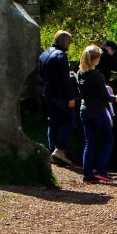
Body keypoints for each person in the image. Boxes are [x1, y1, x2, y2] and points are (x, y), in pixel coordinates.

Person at [76, 44, 117, 184]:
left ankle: (87, 175)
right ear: (95, 59)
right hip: (97, 111)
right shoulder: (97, 75)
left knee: (90, 143)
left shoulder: (80, 73)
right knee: (108, 139)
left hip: (85, 110)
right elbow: (104, 97)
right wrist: (116, 98)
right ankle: (101, 171)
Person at [37, 31, 76, 166]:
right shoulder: (61, 56)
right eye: (69, 42)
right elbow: (65, 80)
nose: (70, 45)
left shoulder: (44, 54)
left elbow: (41, 73)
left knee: (53, 122)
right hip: (60, 94)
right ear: (64, 41)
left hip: (47, 92)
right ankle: (60, 149)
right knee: (69, 122)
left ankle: (51, 150)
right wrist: (70, 98)